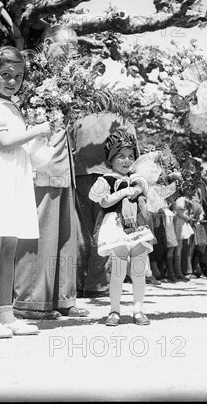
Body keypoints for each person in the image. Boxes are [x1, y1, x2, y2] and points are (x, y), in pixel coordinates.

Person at [0, 45, 51, 338]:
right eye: (5, 75)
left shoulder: (14, 106)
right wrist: (39, 129)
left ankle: (7, 313)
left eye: (17, 76)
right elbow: (4, 141)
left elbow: (23, 145)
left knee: (10, 248)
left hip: (15, 176)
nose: (12, 81)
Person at [13, 126, 89, 319]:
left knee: (66, 236)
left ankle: (62, 298)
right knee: (42, 234)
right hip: (43, 163)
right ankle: (30, 301)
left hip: (63, 164)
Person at [89, 130, 155, 326]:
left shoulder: (138, 178)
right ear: (111, 159)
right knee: (118, 271)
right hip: (116, 226)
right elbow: (103, 201)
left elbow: (145, 189)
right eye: (121, 156)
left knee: (138, 270)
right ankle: (114, 310)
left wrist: (137, 188)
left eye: (130, 157)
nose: (126, 161)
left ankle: (138, 309)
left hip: (137, 226)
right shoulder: (106, 180)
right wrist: (126, 191)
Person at [72, 112, 136, 297]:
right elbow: (132, 153)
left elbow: (72, 148)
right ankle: (96, 284)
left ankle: (78, 283)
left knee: (81, 230)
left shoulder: (80, 120)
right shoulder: (123, 121)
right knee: (103, 230)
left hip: (81, 175)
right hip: (109, 177)